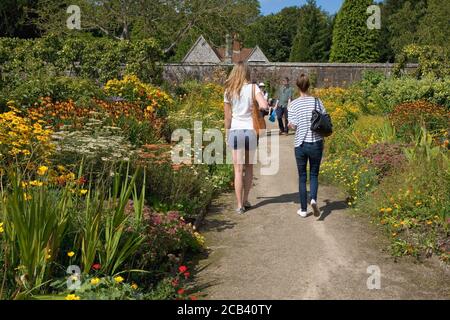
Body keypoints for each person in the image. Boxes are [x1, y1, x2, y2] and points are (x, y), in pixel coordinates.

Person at [224, 62, 269, 214]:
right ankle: (246, 200)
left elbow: (227, 118)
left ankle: (239, 205)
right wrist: (256, 107)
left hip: (235, 131)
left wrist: (226, 134)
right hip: (250, 131)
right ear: (247, 73)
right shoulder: (254, 88)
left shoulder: (228, 91)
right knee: (249, 167)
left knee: (237, 170)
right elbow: (265, 106)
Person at [288, 74, 327, 218]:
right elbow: (325, 118)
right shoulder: (317, 101)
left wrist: (290, 124)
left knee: (302, 176)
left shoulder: (293, 104)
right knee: (314, 174)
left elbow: (293, 126)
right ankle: (313, 199)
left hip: (301, 144)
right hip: (316, 142)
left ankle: (303, 210)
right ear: (309, 85)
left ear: (297, 87)